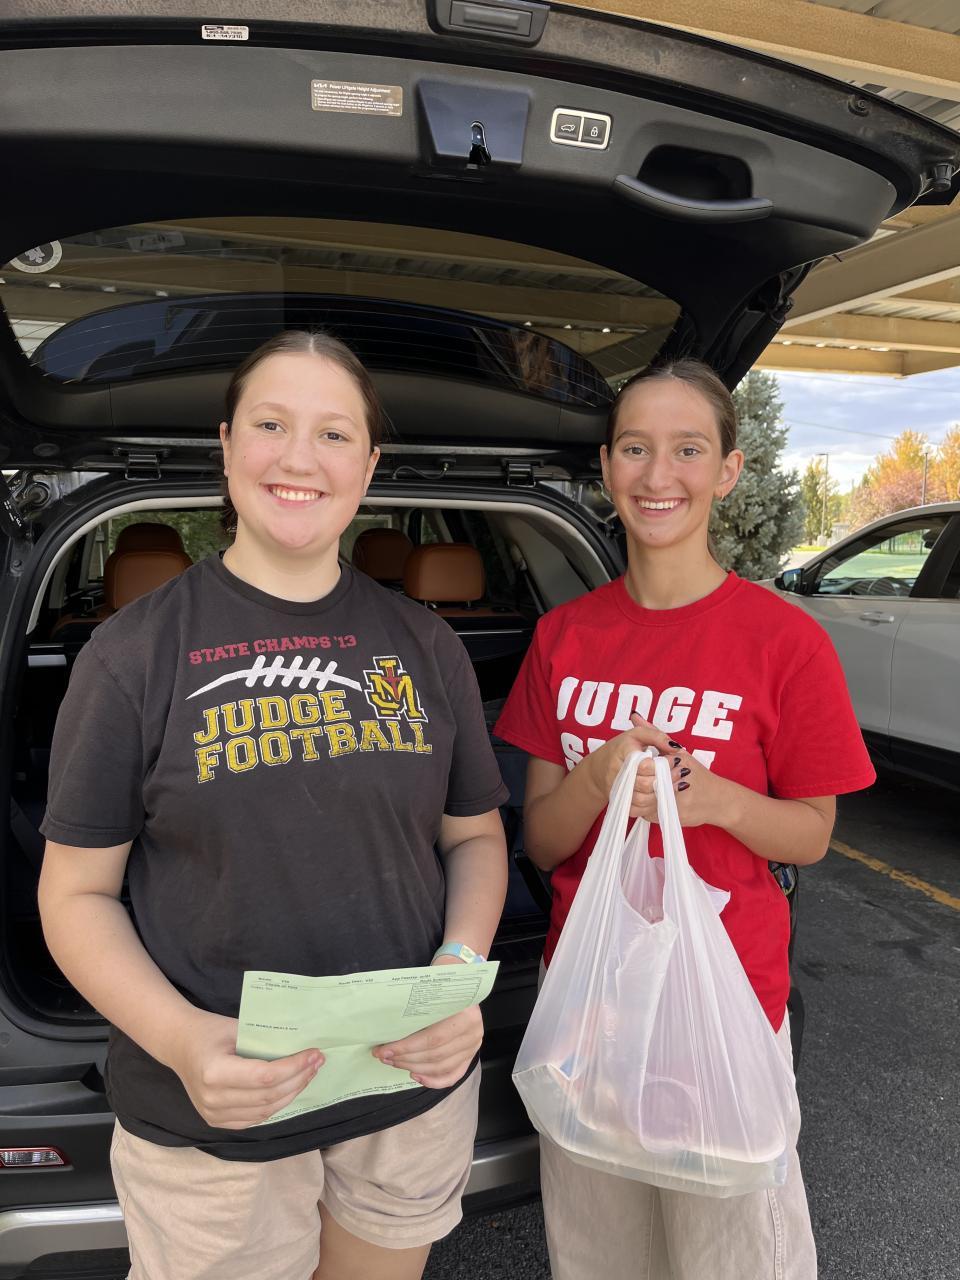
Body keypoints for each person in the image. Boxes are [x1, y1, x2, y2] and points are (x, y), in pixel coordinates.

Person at [38, 330, 509, 1280]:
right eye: (270, 424)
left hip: (403, 1088)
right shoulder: (132, 655)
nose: (300, 458)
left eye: (334, 434)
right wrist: (183, 1042)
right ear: (226, 445)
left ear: (368, 465)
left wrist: (458, 974)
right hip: (214, 1114)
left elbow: (475, 838)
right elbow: (74, 895)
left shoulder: (425, 645)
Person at [494, 358, 876, 1280]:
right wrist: (599, 779)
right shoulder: (564, 637)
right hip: (592, 1006)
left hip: (724, 1004)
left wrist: (718, 800)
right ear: (606, 466)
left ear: (729, 471)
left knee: (732, 1255)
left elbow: (811, 835)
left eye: (688, 450)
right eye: (635, 448)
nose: (657, 475)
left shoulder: (784, 642)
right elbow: (542, 841)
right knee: (601, 1254)